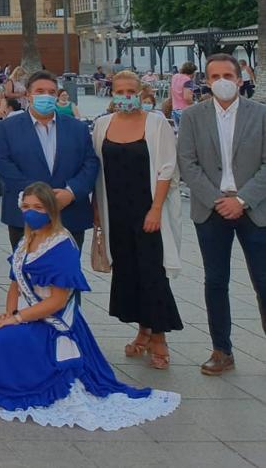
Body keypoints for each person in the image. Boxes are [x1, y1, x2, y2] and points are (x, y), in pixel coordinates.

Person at [0, 183, 180, 430]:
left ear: (51, 210)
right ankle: (5, 381)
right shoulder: (27, 240)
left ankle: (23, 385)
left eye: (37, 207)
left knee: (0, 342)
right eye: (26, 206)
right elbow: (15, 282)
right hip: (28, 315)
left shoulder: (61, 246)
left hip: (54, 325)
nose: (30, 212)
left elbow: (57, 301)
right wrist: (9, 312)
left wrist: (17, 318)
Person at [176, 53, 266, 376]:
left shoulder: (261, 114)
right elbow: (187, 163)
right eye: (214, 77)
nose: (222, 82)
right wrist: (218, 200)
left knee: (263, 280)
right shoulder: (192, 117)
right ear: (206, 81)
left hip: (254, 209)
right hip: (210, 209)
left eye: (228, 75)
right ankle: (221, 350)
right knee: (216, 281)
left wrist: (241, 200)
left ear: (240, 79)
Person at [92, 71, 184, 371]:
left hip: (147, 213)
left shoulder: (156, 123)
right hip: (115, 213)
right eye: (119, 91)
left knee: (152, 273)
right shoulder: (102, 125)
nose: (125, 96)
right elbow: (98, 172)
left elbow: (167, 168)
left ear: (141, 92)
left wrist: (156, 209)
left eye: (131, 90)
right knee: (128, 272)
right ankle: (143, 330)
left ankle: (159, 337)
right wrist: (98, 215)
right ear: (112, 93)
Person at [0, 70, 100, 252]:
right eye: (40, 91)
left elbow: (90, 163)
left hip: (69, 214)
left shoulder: (77, 128)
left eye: (51, 92)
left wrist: (71, 192)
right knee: (27, 275)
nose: (47, 96)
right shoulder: (8, 127)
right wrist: (38, 198)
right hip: (26, 216)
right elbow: (4, 164)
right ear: (28, 95)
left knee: (65, 276)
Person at [170, 61, 196, 127]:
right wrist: (195, 104)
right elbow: (187, 98)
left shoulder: (175, 77)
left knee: (179, 132)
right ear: (192, 72)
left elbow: (171, 91)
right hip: (185, 110)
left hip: (175, 108)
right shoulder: (188, 81)